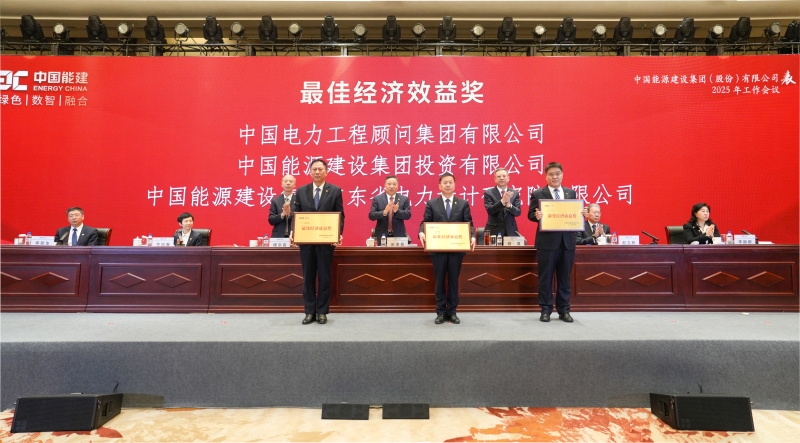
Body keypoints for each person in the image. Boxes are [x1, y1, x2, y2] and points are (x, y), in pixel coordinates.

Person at [418, 173, 476, 325]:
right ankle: (440, 312)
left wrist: (472, 236)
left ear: (454, 185)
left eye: (450, 182)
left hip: (456, 249)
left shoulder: (463, 203)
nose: (448, 185)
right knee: (439, 281)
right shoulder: (432, 203)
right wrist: (421, 232)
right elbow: (425, 222)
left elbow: (469, 223)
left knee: (453, 281)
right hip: (437, 250)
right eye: (445, 182)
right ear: (440, 186)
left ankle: (452, 312)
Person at [292, 159, 345, 325]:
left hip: (326, 242)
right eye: (314, 169)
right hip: (306, 242)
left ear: (326, 172)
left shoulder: (335, 190)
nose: (317, 172)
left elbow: (340, 215)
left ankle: (322, 312)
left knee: (324, 277)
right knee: (308, 277)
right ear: (310, 172)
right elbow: (297, 214)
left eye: (320, 169)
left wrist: (338, 234)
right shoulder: (301, 191)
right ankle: (309, 312)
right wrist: (294, 233)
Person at [528, 162, 578, 323]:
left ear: (562, 175)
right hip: (547, 243)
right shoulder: (538, 193)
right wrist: (536, 216)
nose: (554, 177)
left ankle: (564, 310)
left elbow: (574, 214)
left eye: (557, 173)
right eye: (551, 174)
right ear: (546, 176)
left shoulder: (571, 193)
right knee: (545, 278)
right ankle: (545, 309)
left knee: (565, 278)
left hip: (567, 242)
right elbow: (530, 214)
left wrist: (581, 213)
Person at [368, 175, 411, 241]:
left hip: (399, 234)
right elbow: (371, 215)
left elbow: (408, 215)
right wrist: (384, 212)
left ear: (397, 186)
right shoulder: (377, 199)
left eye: (394, 184)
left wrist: (397, 211)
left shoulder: (404, 199)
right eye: (389, 184)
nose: (391, 186)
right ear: (385, 185)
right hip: (381, 235)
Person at [483, 167, 522, 239]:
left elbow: (518, 212)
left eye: (504, 176)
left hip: (511, 231)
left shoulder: (514, 193)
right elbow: (490, 210)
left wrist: (509, 206)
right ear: (495, 179)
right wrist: (502, 201)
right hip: (494, 230)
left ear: (508, 178)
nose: (501, 178)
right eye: (499, 176)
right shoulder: (489, 193)